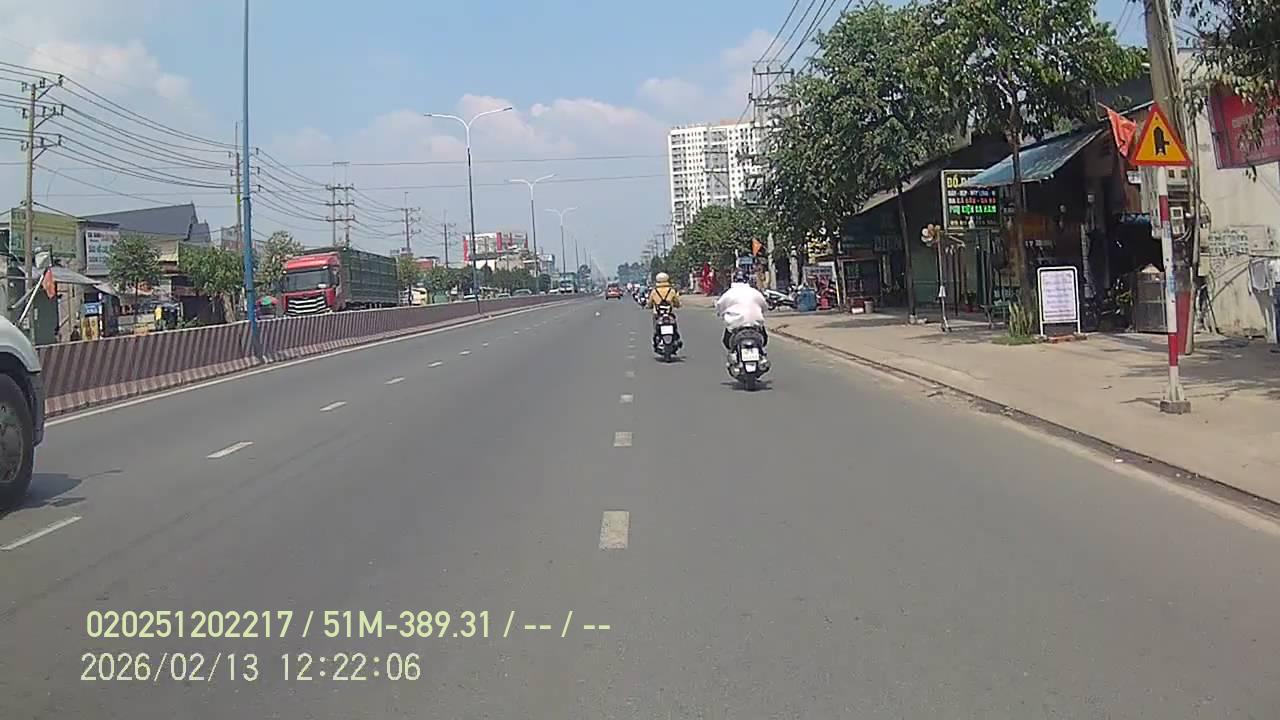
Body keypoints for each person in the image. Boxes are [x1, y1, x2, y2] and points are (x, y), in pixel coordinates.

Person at [715, 269, 769, 350]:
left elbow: (720, 306)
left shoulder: (728, 293)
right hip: (755, 325)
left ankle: (733, 354)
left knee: (726, 341)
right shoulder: (755, 292)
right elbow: (764, 306)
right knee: (764, 340)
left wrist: (721, 314)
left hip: (735, 325)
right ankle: (762, 353)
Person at [646, 272, 682, 348]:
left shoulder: (654, 291)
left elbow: (649, 303)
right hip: (669, 314)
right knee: (674, 327)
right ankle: (676, 338)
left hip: (658, 314)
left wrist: (649, 306)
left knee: (656, 329)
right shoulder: (671, 291)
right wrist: (677, 305)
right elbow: (677, 302)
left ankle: (657, 339)